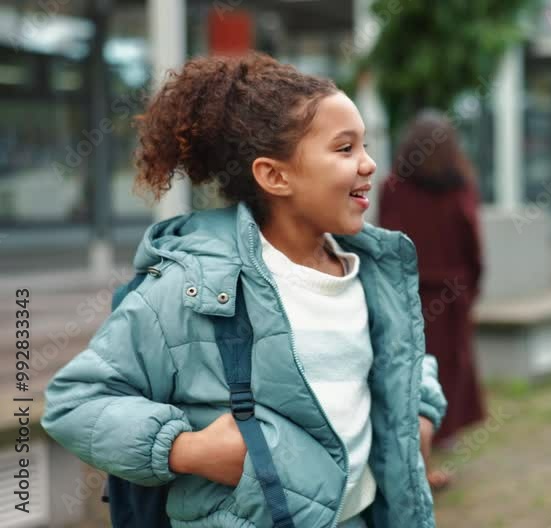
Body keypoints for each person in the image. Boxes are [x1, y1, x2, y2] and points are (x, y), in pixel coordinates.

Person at [41, 53, 446, 528]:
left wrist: (421, 407)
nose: (369, 163)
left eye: (365, 145)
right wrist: (186, 450)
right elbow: (74, 402)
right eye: (344, 149)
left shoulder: (373, 270)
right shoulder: (190, 287)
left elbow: (399, 355)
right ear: (274, 175)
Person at [378, 111, 486, 490]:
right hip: (451, 298)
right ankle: (431, 454)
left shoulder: (393, 187)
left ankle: (417, 464)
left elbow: (384, 243)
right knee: (445, 371)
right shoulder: (461, 189)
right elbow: (473, 245)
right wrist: (470, 290)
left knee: (406, 373)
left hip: (405, 294)